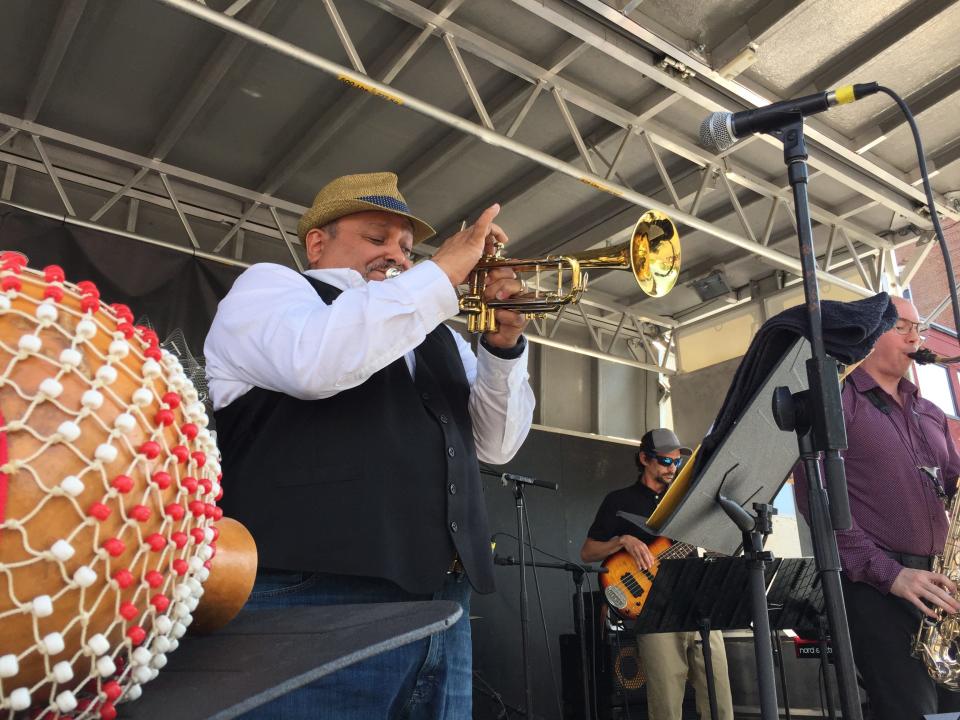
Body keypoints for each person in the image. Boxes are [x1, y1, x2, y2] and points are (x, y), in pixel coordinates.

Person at [204, 171, 535, 719]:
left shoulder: (438, 333)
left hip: (442, 604)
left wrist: (503, 347)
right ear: (318, 242)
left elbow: (496, 445)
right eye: (377, 238)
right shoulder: (271, 288)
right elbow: (315, 364)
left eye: (407, 247)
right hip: (313, 598)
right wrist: (442, 272)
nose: (398, 256)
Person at [793, 295, 960, 720]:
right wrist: (892, 575)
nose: (915, 336)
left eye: (917, 328)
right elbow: (818, 502)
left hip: (939, 584)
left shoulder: (932, 413)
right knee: (912, 711)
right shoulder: (837, 403)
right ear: (867, 333)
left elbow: (952, 484)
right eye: (901, 326)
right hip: (878, 588)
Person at [580, 428, 734, 720]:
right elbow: (587, 553)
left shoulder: (687, 499)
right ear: (644, 459)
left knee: (720, 701)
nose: (672, 468)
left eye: (676, 462)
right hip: (654, 612)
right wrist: (622, 540)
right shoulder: (619, 501)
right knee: (666, 705)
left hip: (698, 604)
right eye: (665, 462)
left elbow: (713, 541)